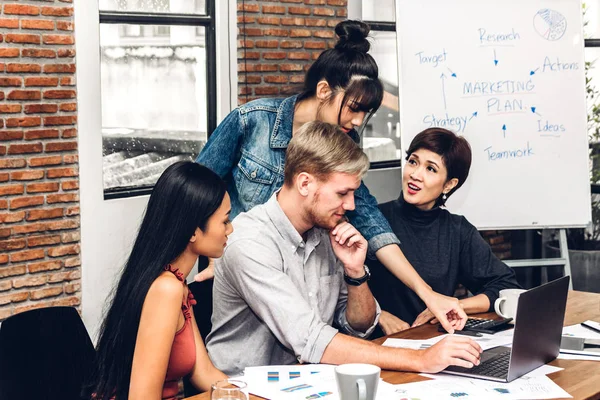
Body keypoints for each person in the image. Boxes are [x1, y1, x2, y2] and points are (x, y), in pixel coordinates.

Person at [196, 19, 466, 333]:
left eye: (366, 112)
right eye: (353, 107)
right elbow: (195, 191)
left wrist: (427, 293)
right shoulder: (251, 122)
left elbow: (370, 221)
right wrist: (216, 248)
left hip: (301, 291)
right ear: (324, 90)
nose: (356, 121)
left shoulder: (344, 144)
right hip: (240, 281)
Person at [206, 121, 482, 376]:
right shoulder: (250, 242)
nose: (351, 205)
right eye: (342, 193)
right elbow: (310, 339)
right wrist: (419, 360)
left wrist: (355, 273)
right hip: (240, 389)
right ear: (305, 183)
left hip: (308, 382)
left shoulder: (328, 230)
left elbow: (360, 326)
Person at [89, 162, 230, 400]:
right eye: (225, 221)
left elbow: (203, 372)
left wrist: (253, 393)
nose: (230, 229)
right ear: (194, 231)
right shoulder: (166, 289)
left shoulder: (176, 283)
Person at [367, 128, 522, 337]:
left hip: (432, 344)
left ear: (449, 184)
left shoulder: (457, 231)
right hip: (376, 345)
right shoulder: (373, 219)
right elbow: (341, 288)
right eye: (413, 161)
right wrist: (380, 315)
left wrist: (450, 305)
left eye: (431, 169)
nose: (415, 174)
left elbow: (504, 286)